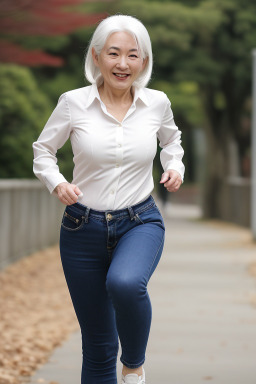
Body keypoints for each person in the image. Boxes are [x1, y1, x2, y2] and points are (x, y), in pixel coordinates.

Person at [32, 14, 185, 384]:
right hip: (82, 227)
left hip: (140, 221)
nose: (122, 63)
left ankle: (134, 365)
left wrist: (175, 166)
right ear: (96, 57)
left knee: (126, 283)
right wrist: (57, 184)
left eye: (133, 55)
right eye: (113, 54)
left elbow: (171, 141)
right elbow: (43, 150)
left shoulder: (157, 103)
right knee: (98, 347)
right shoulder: (73, 103)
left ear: (144, 62)